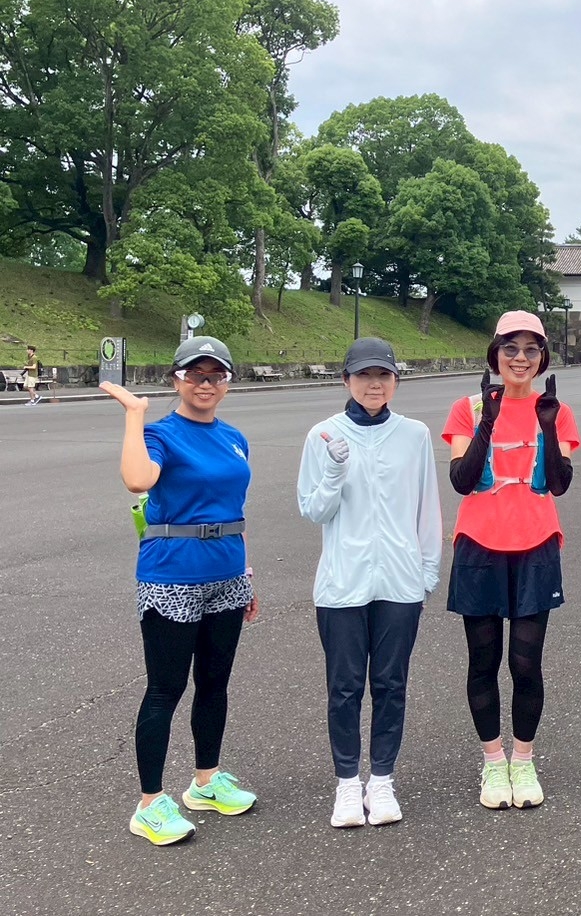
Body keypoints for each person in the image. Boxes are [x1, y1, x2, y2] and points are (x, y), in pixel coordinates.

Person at [100, 336, 259, 846]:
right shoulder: (160, 434)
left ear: (227, 383)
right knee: (165, 689)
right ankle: (149, 804)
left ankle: (205, 782)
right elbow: (137, 479)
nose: (205, 384)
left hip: (227, 575)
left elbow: (233, 509)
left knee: (214, 684)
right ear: (177, 379)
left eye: (216, 375)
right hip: (172, 577)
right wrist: (134, 415)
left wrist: (246, 572)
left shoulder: (234, 437)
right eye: (195, 374)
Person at [297, 338, 442, 828]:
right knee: (344, 687)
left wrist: (426, 572)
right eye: (363, 375)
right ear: (346, 380)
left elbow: (426, 507)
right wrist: (334, 470)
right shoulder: (322, 435)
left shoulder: (414, 434)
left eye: (383, 375)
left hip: (400, 581)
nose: (374, 384)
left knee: (390, 684)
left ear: (396, 380)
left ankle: (381, 780)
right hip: (342, 581)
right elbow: (314, 510)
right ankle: (346, 784)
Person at [443, 311, 578, 811]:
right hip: (479, 544)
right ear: (495, 354)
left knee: (525, 661)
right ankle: (493, 760)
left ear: (543, 358)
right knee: (483, 660)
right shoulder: (468, 407)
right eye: (510, 348)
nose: (520, 359)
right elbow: (462, 480)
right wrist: (487, 421)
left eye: (531, 350)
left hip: (536, 543)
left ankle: (523, 759)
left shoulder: (556, 410)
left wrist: (547, 425)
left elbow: (559, 483)